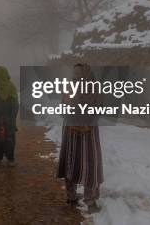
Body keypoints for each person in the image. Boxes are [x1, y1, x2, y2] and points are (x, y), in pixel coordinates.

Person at [57, 63, 103, 213]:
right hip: (80, 132)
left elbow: (99, 109)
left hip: (79, 131)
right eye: (74, 72)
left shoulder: (87, 88)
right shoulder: (82, 87)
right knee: (81, 163)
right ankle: (81, 198)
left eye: (77, 72)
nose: (75, 75)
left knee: (81, 163)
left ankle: (81, 198)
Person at [0, 66, 19, 167]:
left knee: (9, 139)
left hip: (8, 118)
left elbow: (15, 103)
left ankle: (10, 158)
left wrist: (12, 116)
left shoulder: (11, 87)